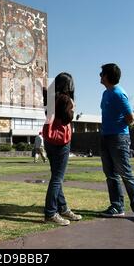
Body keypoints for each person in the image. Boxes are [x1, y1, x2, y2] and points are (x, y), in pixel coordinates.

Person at [99, 63, 134, 223]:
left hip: (119, 138)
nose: (99, 76)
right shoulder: (106, 93)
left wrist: (117, 128)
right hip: (106, 137)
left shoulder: (119, 94)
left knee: (125, 174)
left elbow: (131, 118)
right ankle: (117, 207)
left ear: (106, 76)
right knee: (111, 175)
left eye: (101, 73)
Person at [42, 72, 82, 226]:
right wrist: (72, 106)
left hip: (49, 140)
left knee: (56, 177)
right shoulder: (65, 99)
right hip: (61, 141)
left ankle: (63, 207)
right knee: (57, 179)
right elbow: (67, 118)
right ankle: (51, 213)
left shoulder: (50, 98)